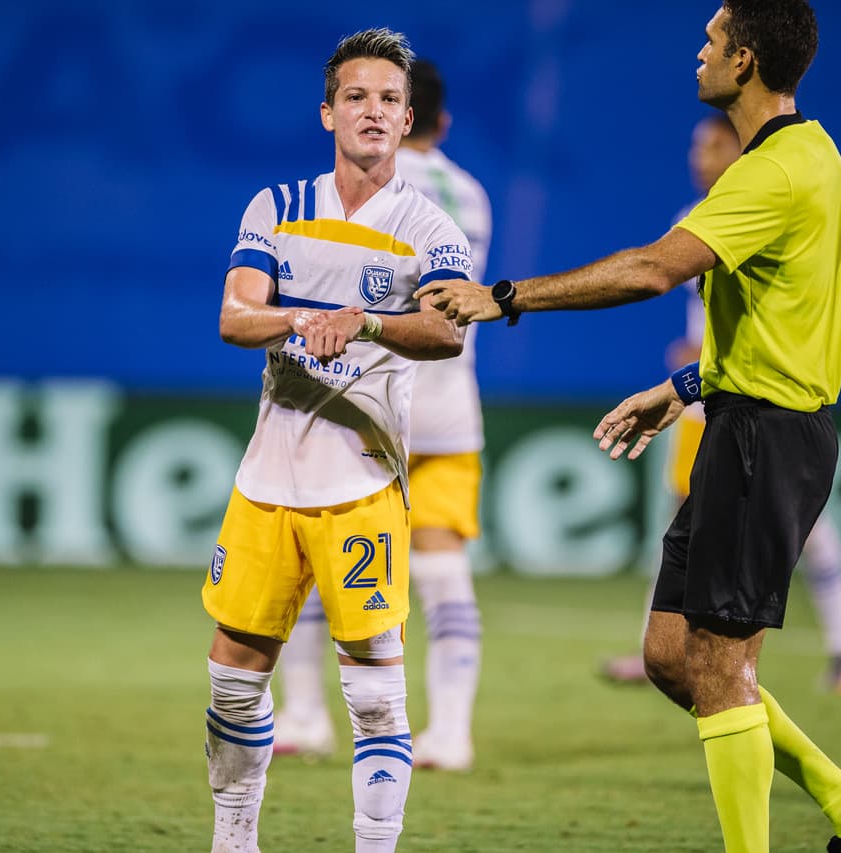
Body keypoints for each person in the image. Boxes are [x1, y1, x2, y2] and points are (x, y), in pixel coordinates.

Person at [416, 3, 841, 851]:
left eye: (714, 41)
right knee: (671, 656)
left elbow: (654, 269)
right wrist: (683, 386)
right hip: (740, 418)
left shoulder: (772, 172)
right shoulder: (813, 154)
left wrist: (504, 297)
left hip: (769, 435)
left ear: (747, 61)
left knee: (723, 669)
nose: (701, 52)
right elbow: (780, 318)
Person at [202, 28, 471, 853]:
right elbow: (233, 316)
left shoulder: (430, 226)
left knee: (378, 699)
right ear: (328, 112)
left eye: (390, 100)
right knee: (231, 683)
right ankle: (234, 841)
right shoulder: (276, 207)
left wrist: (366, 320)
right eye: (356, 97)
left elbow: (447, 329)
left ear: (407, 116)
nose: (374, 112)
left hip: (360, 487)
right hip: (266, 483)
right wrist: (301, 317)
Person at [601, 113, 841, 696]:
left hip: (764, 401)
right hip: (705, 395)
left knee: (806, 527)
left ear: (737, 148)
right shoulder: (690, 221)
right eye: (696, 145)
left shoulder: (769, 196)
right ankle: (660, 645)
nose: (699, 157)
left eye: (713, 144)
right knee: (682, 522)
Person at [273, 58, 491, 773]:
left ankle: (305, 716)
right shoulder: (471, 197)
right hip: (447, 408)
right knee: (443, 568)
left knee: (314, 561)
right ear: (443, 122)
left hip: (359, 409)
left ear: (398, 119)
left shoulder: (356, 200)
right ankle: (451, 731)